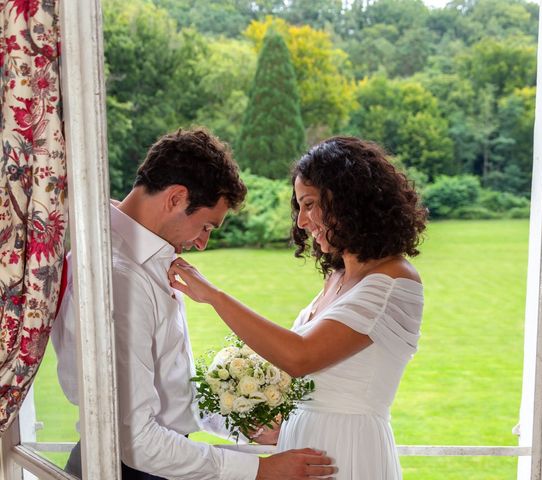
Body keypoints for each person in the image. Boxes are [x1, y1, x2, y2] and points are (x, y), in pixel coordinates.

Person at [51, 128, 335, 480]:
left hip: (149, 462)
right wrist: (259, 470)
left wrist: (239, 421)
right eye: (205, 227)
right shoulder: (119, 278)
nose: (202, 244)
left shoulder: (143, 260)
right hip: (130, 470)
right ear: (175, 198)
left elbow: (169, 390)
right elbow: (137, 440)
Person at [168, 136, 427, 480]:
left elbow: (301, 357)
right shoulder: (337, 278)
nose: (302, 221)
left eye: (309, 204)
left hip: (347, 450)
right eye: (299, 207)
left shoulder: (394, 281)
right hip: (301, 448)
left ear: (348, 199)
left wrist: (215, 296)